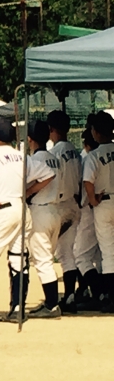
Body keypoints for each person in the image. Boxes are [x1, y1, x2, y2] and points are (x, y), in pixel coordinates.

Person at [0, 119, 55, 325]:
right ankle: (17, 309)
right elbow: (49, 174)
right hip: (21, 208)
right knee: (18, 258)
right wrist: (28, 191)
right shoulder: (21, 156)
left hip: (4, 208)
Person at [24, 121, 62, 319]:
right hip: (56, 209)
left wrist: (29, 191)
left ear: (30, 139)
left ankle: (52, 305)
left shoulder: (34, 160)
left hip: (40, 211)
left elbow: (26, 185)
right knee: (47, 257)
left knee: (43, 261)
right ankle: (51, 302)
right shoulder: (55, 158)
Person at [47, 110, 82, 310]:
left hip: (60, 206)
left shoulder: (55, 152)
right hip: (74, 204)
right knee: (69, 252)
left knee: (59, 252)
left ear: (51, 129)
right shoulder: (74, 151)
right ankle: (70, 295)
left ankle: (59, 298)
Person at [82, 111, 114, 312]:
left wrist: (93, 200)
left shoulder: (93, 155)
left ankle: (110, 297)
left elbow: (88, 181)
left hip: (104, 203)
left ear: (96, 132)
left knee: (108, 251)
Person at [72, 124, 102, 311]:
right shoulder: (100, 158)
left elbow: (84, 190)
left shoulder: (88, 159)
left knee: (80, 256)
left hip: (89, 209)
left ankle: (98, 292)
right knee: (100, 254)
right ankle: (101, 292)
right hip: (102, 206)